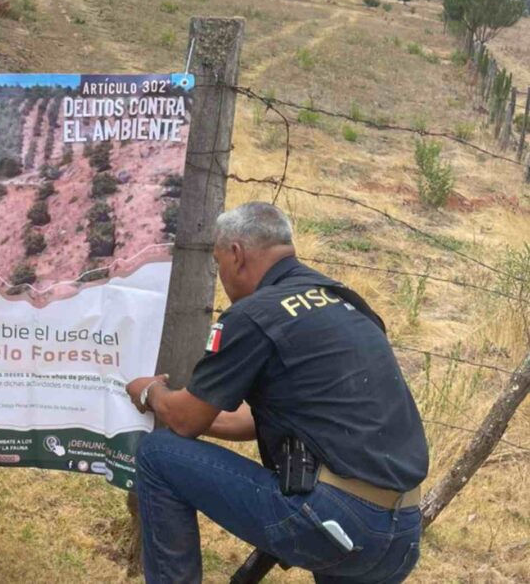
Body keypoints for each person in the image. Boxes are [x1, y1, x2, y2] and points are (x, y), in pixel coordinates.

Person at [125, 202, 429, 584]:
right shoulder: (345, 301)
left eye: (219, 265)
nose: (222, 277)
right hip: (401, 533)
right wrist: (198, 413)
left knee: (157, 455)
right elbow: (264, 417)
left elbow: (185, 421)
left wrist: (150, 392)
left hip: (334, 521)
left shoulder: (254, 314)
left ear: (236, 255)